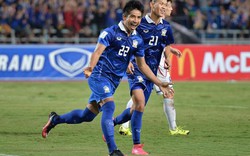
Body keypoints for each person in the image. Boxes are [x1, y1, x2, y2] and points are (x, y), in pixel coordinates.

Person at [41, 1, 172, 156]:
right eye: (132, 17)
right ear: (124, 17)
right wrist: (90, 68)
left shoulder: (137, 40)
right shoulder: (110, 33)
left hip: (113, 82)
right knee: (109, 107)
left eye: (138, 17)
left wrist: (159, 83)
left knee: (87, 116)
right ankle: (113, 151)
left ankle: (55, 119)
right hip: (99, 76)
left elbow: (142, 66)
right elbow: (97, 52)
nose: (136, 21)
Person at [109, 0, 188, 155]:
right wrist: (127, 60)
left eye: (167, 4)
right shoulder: (139, 21)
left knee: (142, 104)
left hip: (153, 68)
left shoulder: (166, 26)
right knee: (139, 101)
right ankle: (135, 143)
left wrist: (168, 57)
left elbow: (165, 44)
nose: (165, 6)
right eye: (161, 3)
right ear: (152, 4)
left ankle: (114, 124)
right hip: (139, 67)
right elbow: (127, 39)